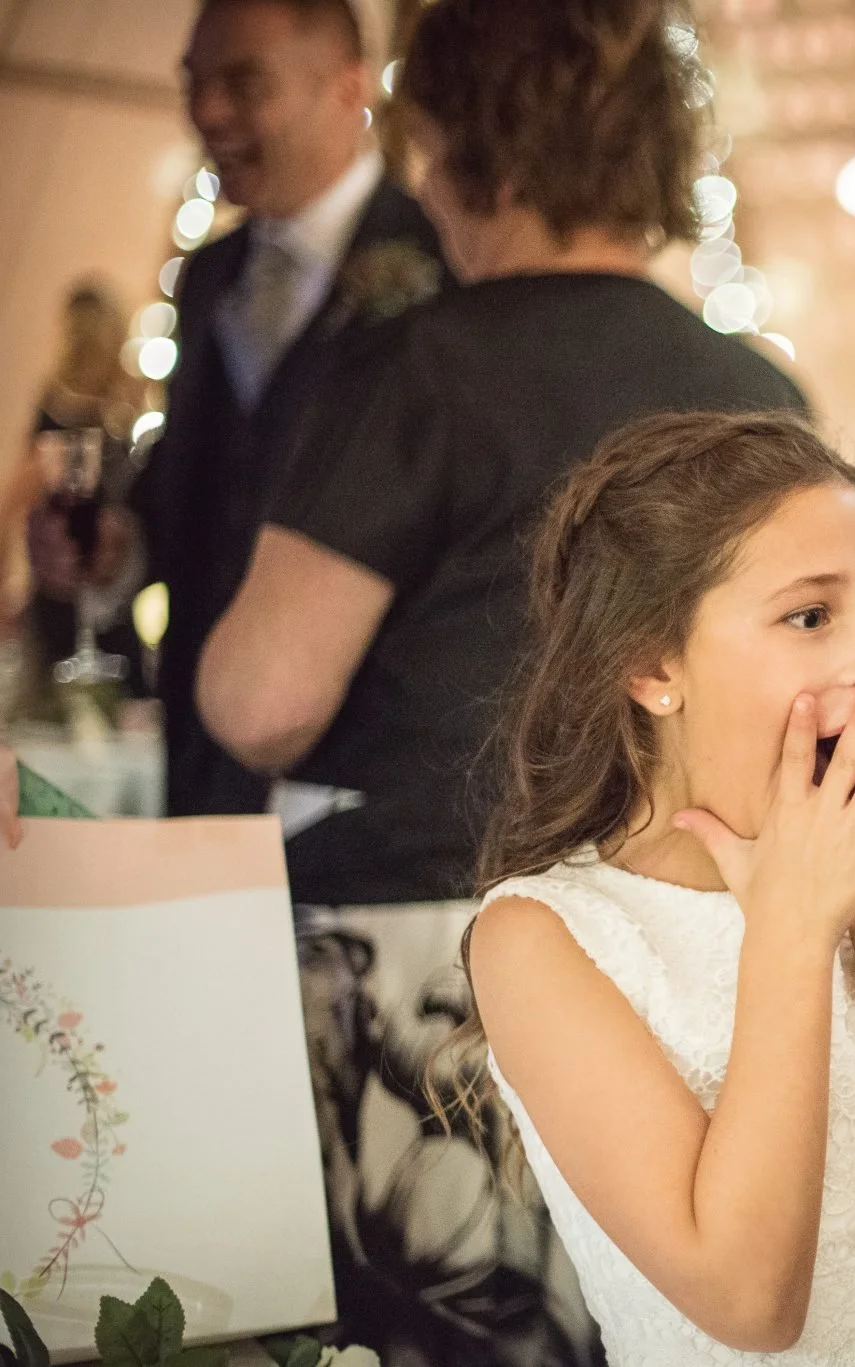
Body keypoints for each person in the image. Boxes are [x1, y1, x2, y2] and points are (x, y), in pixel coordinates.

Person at [194, 0, 799, 1357]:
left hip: (434, 956)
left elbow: (262, 696)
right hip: (676, 945)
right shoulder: (756, 392)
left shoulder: (415, 367)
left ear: (470, 144)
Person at [447, 408, 855, 1366]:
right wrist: (790, 932)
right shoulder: (545, 938)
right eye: (809, 615)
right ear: (651, 664)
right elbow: (748, 1301)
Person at [135, 0, 443, 819]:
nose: (206, 113)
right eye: (195, 85)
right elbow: (185, 493)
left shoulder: (441, 266)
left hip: (363, 788)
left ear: (350, 88)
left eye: (243, 83)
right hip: (198, 766)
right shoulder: (206, 277)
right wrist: (112, 548)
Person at [6, 282, 154, 709]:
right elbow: (19, 498)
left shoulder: (118, 408)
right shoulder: (70, 416)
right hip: (64, 590)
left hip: (103, 592)